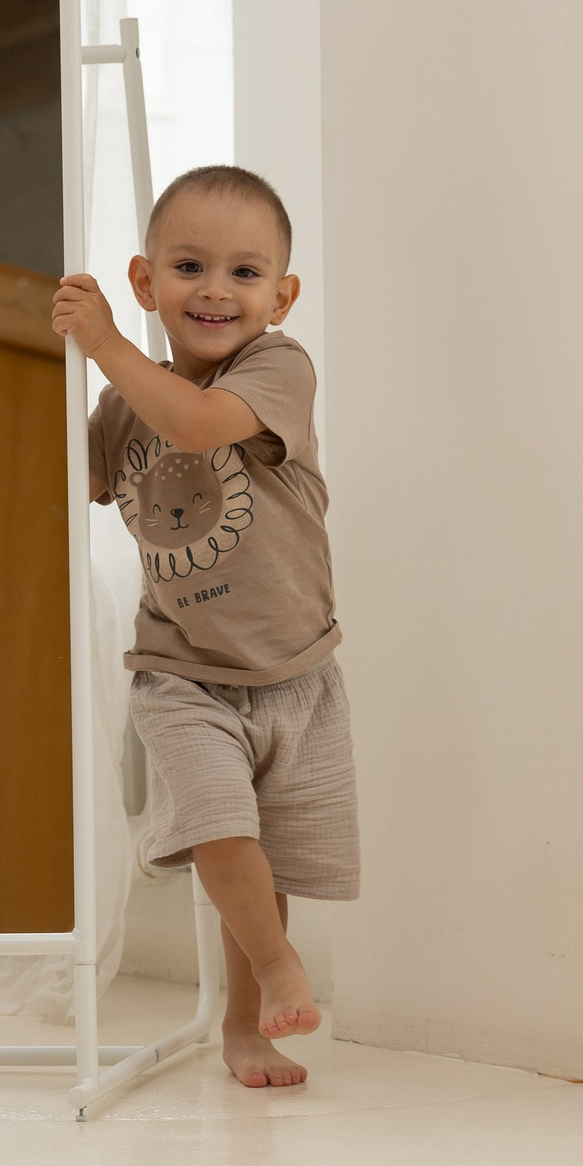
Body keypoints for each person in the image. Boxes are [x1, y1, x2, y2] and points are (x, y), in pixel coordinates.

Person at [51, 166, 356, 1091]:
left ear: (281, 296)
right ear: (148, 283)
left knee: (268, 864)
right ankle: (276, 972)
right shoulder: (119, 404)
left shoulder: (277, 368)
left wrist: (104, 342)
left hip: (296, 669)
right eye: (189, 266)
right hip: (180, 668)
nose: (216, 290)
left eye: (244, 273)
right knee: (223, 827)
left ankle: (243, 1025)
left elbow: (194, 425)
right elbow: (69, 481)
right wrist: (72, 364)